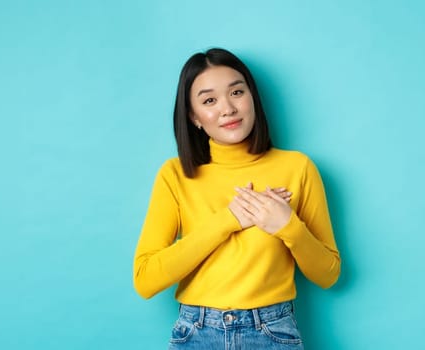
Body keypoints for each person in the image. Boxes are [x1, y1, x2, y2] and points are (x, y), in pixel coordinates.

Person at [132, 48, 341, 349]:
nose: (228, 108)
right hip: (196, 333)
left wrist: (288, 226)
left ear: (252, 98)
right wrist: (228, 220)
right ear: (194, 117)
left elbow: (328, 274)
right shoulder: (175, 175)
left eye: (237, 92)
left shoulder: (297, 168)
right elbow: (145, 279)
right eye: (209, 100)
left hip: (272, 332)